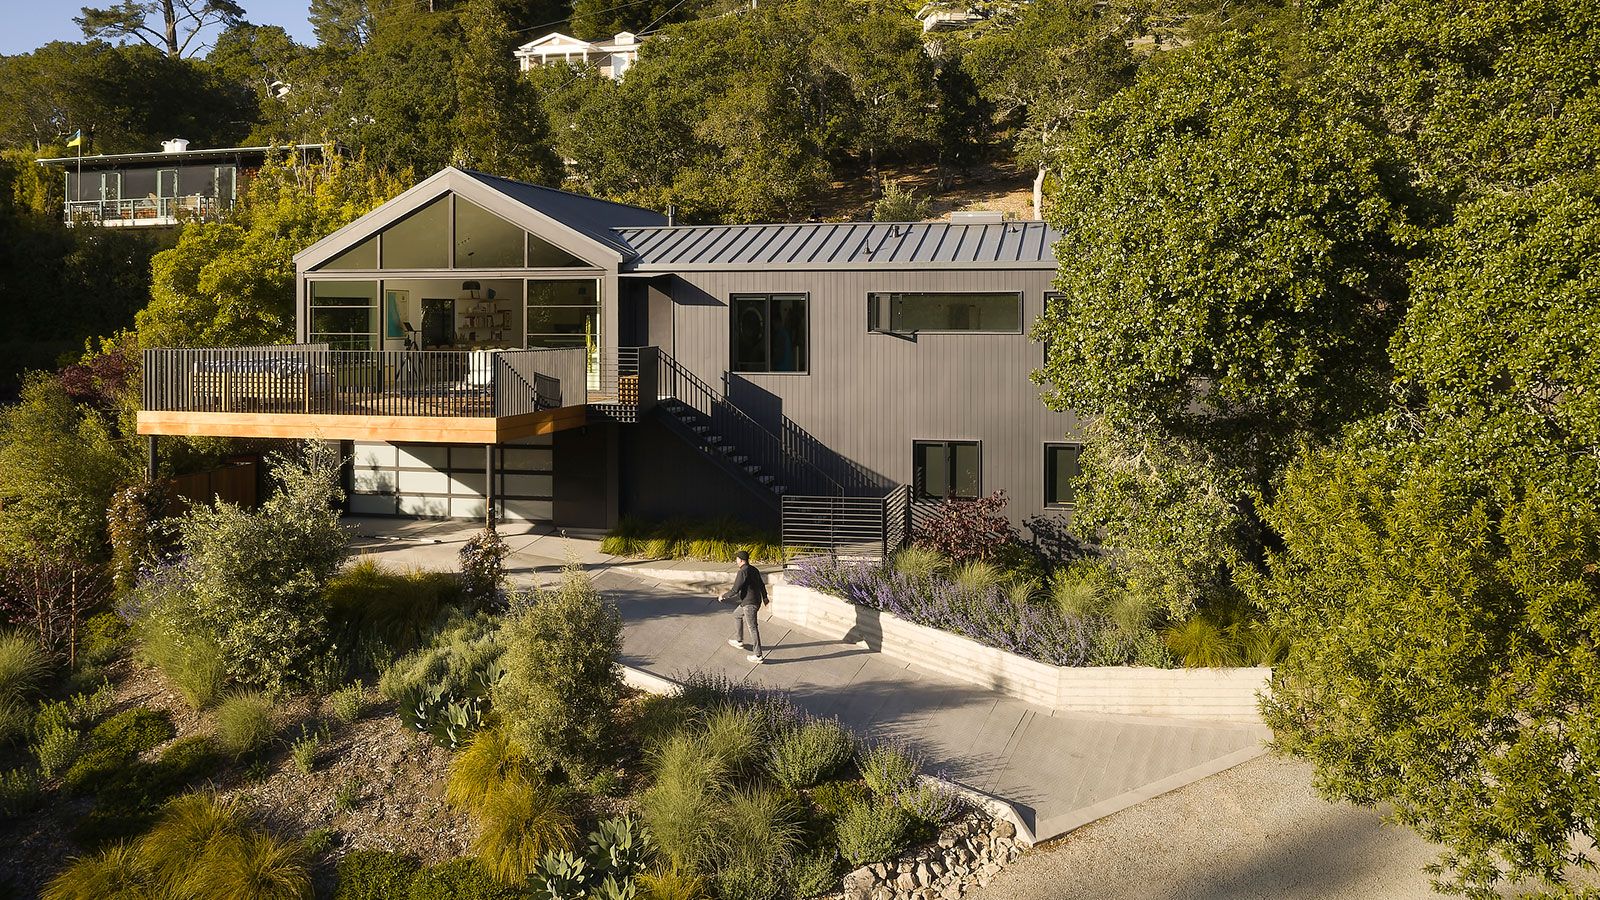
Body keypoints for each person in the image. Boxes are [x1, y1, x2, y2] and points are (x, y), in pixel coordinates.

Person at [720, 549, 767, 663]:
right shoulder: (754, 569)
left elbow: (735, 590)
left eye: (737, 559)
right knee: (737, 614)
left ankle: (758, 655)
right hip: (754, 601)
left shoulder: (742, 572)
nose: (736, 561)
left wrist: (723, 596)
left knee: (753, 628)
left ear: (741, 560)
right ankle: (739, 640)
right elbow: (761, 585)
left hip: (749, 604)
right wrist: (765, 598)